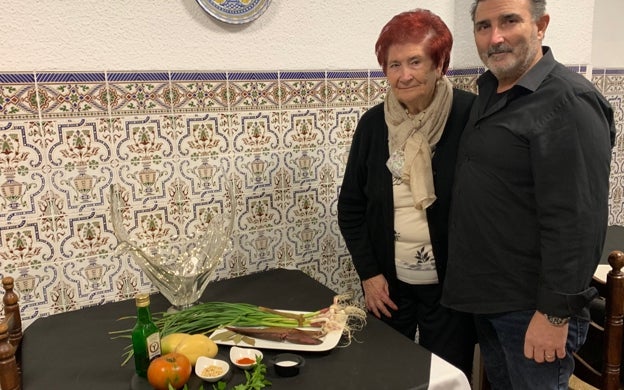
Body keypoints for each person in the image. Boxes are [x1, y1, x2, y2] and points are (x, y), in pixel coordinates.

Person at [441, 0, 616, 389]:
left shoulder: (568, 102)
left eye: (509, 21)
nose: (495, 37)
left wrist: (554, 315)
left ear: (541, 25)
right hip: (489, 300)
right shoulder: (490, 90)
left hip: (532, 310)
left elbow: (577, 222)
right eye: (484, 26)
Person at [338, 9, 476, 378]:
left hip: (451, 290)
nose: (404, 75)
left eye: (415, 61)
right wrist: (369, 274)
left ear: (438, 64)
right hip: (389, 287)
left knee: (446, 376)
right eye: (393, 64)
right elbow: (351, 207)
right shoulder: (372, 126)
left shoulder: (470, 116)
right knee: (385, 374)